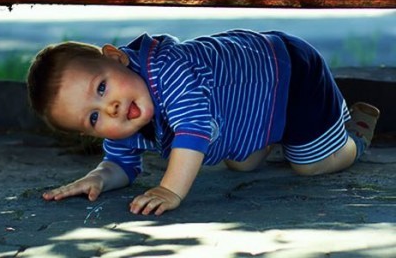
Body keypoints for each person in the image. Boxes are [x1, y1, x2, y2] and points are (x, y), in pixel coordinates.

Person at [26, 29, 380, 216]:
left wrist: (170, 189)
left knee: (309, 165)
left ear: (117, 58)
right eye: (93, 117)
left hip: (287, 73)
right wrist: (99, 178)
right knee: (241, 163)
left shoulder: (168, 69)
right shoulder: (124, 113)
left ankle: (353, 135)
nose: (111, 108)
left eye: (102, 88)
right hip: (247, 103)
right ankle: (270, 134)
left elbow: (193, 129)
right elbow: (120, 163)